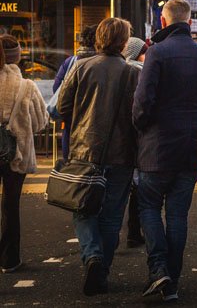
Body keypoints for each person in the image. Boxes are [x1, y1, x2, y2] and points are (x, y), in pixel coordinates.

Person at [133, 0, 197, 301]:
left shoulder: (156, 53)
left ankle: (159, 270)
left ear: (163, 22)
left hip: (157, 146)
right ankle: (173, 279)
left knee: (150, 207)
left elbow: (142, 102)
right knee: (178, 214)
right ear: (189, 22)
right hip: (191, 146)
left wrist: (141, 126)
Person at [57, 18, 140, 296]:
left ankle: (92, 257)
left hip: (84, 150)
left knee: (83, 209)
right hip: (122, 154)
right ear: (124, 42)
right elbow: (139, 115)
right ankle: (101, 269)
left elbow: (61, 107)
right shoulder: (132, 73)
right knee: (113, 215)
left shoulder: (81, 67)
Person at [0, 35, 48, 274]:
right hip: (14, 153)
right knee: (10, 203)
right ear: (17, 57)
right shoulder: (26, 86)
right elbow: (40, 122)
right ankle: (9, 260)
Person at [52, 25, 97, 161]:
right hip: (93, 120)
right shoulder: (101, 63)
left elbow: (57, 88)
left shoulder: (70, 62)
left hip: (71, 119)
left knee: (70, 160)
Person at [121, 37, 148, 249]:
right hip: (137, 137)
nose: (146, 55)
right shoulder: (139, 73)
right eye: (143, 51)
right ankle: (133, 230)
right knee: (137, 186)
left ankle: (129, 231)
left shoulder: (120, 71)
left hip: (120, 138)